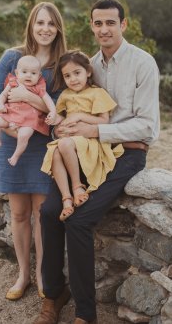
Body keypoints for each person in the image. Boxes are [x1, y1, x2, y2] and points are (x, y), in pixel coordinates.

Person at [34, 0, 160, 324]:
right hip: (84, 150)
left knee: (79, 220)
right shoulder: (87, 66)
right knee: (48, 212)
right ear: (91, 26)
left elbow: (148, 127)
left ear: (123, 25)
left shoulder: (143, 63)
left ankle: (86, 314)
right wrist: (63, 128)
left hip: (127, 152)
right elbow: (69, 112)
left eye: (111, 23)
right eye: (98, 23)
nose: (104, 29)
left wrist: (96, 130)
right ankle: (54, 294)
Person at [0, 2, 67, 301]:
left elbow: (60, 112)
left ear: (58, 29)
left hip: (44, 149)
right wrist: (7, 128)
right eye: (40, 22)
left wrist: (29, 99)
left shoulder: (62, 65)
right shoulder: (12, 58)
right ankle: (23, 275)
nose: (45, 29)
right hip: (12, 145)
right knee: (19, 214)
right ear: (31, 25)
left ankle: (43, 276)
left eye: (51, 23)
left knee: (43, 215)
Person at [40, 50, 124, 221]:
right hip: (70, 139)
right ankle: (67, 199)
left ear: (88, 72)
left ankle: (77, 186)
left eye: (77, 73)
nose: (73, 79)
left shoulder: (97, 93)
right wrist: (56, 120)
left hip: (89, 141)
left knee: (63, 145)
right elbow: (63, 117)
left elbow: (104, 121)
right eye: (67, 76)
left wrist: (80, 116)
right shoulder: (66, 95)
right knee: (54, 152)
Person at [0, 55, 58, 166]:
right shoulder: (13, 83)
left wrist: (52, 111)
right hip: (10, 115)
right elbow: (3, 95)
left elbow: (48, 101)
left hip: (28, 121)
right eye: (24, 72)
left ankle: (16, 155)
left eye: (33, 73)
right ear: (17, 73)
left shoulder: (38, 87)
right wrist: (0, 105)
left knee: (24, 136)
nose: (28, 75)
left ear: (39, 76)